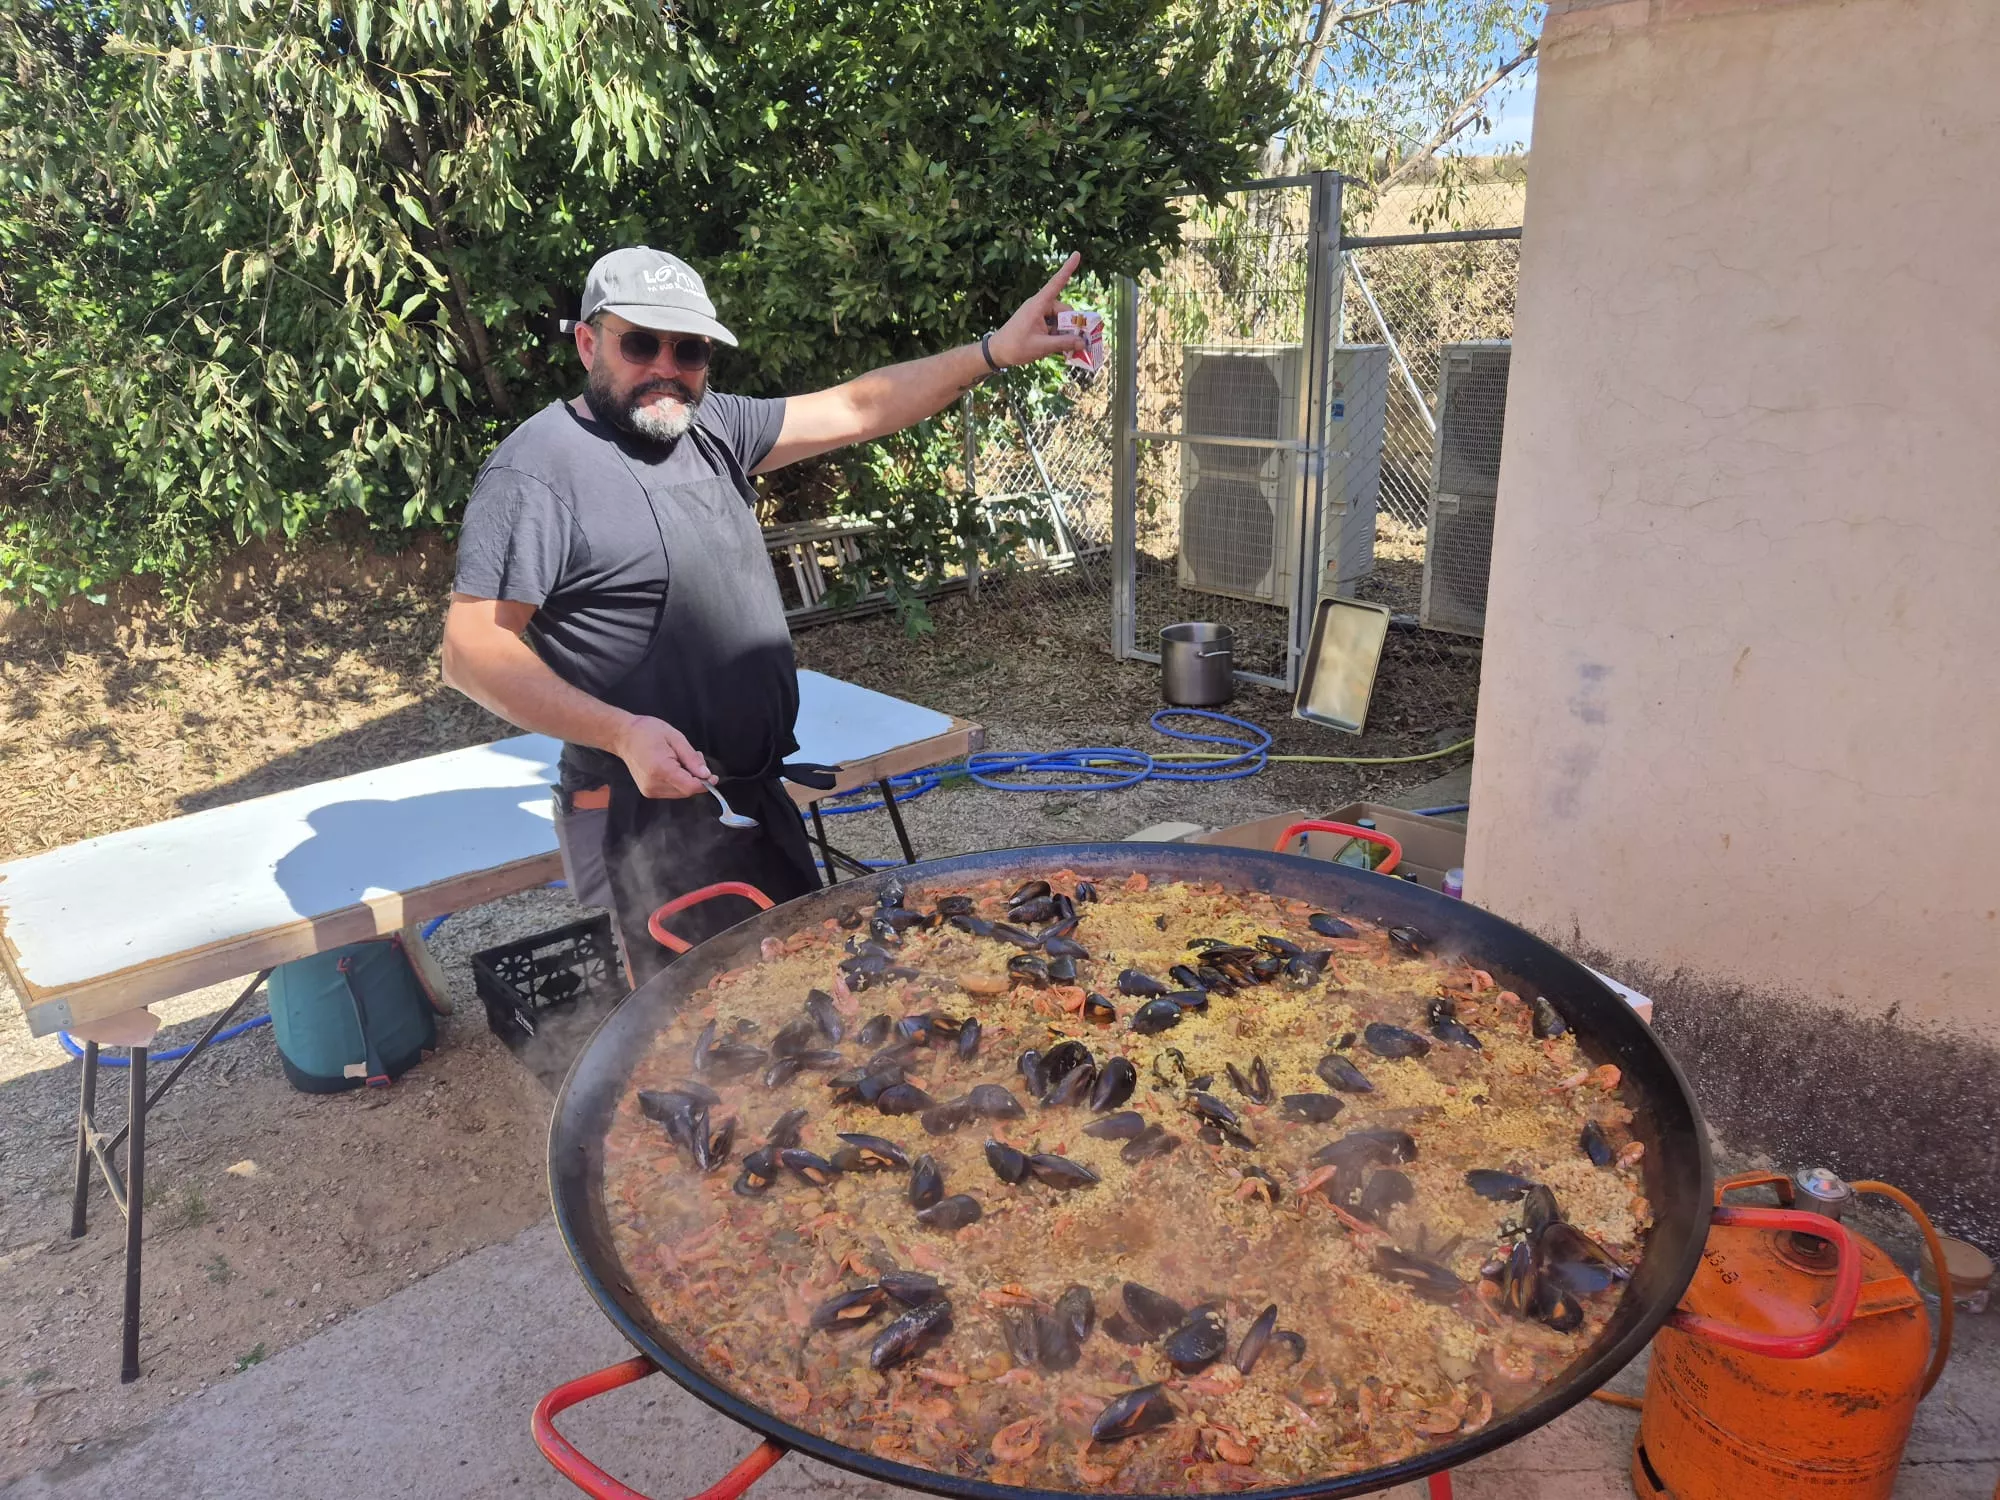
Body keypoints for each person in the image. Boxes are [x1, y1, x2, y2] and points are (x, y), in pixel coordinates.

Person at [442, 245, 1085, 983]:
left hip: (749, 795)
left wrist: (992, 351)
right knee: (692, 1037)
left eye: (689, 349)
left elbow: (857, 406)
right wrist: (621, 733)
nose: (666, 365)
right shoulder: (538, 471)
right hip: (643, 816)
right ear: (590, 342)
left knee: (799, 990)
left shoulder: (710, 425)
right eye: (640, 343)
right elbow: (469, 647)